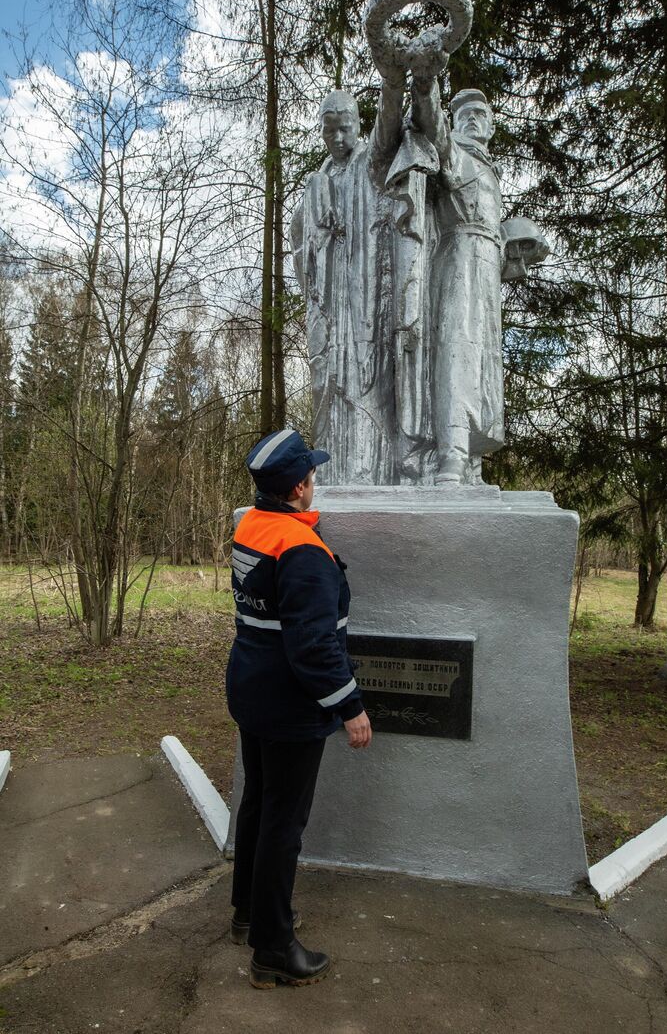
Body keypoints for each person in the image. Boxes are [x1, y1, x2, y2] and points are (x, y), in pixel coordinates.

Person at [226, 428, 372, 988]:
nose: (314, 481)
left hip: (253, 691)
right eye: (310, 474)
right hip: (289, 706)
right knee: (283, 824)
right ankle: (273, 950)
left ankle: (249, 913)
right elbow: (313, 647)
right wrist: (350, 707)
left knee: (260, 806)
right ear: (300, 487)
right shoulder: (303, 550)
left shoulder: (252, 527)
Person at [290, 85, 405, 484]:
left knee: (364, 382)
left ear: (359, 125)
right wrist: (319, 241)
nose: (337, 139)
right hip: (329, 299)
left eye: (345, 129)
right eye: (329, 131)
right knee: (327, 381)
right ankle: (332, 471)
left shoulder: (369, 166)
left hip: (366, 301)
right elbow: (299, 242)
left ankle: (367, 471)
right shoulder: (316, 182)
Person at [410, 80, 506, 484]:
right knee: (455, 352)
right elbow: (434, 128)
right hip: (457, 259)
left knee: (483, 362)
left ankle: (471, 463)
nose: (472, 120)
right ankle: (450, 455)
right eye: (464, 115)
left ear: (490, 125)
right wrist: (425, 81)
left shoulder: (488, 169)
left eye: (479, 115)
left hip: (488, 268)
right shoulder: (455, 155)